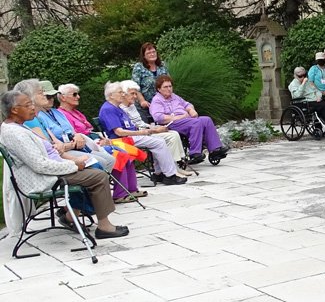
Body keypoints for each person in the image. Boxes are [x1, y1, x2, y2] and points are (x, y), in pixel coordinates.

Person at [0, 90, 130, 239]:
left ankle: (71, 216)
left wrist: (71, 162)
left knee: (92, 169)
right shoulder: (15, 133)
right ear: (15, 109)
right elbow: (39, 165)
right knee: (98, 176)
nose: (33, 107)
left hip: (48, 170)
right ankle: (104, 226)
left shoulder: (17, 127)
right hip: (41, 178)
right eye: (28, 104)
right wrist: (74, 165)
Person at [99, 81, 187, 186]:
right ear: (111, 95)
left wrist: (146, 130)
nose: (123, 94)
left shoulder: (116, 107)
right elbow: (119, 132)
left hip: (130, 136)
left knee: (160, 140)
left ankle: (159, 173)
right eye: (120, 92)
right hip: (120, 140)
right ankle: (170, 175)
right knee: (159, 142)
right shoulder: (108, 109)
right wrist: (142, 132)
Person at [18, 79, 115, 171]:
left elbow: (72, 134)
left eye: (52, 96)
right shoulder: (33, 119)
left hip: (75, 147)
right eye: (46, 95)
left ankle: (114, 187)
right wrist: (74, 155)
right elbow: (51, 149)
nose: (50, 98)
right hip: (60, 157)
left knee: (110, 159)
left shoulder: (54, 113)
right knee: (98, 165)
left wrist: (77, 137)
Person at [149, 75, 229, 163]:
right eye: (165, 87)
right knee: (196, 123)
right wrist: (179, 117)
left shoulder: (174, 96)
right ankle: (194, 153)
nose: (169, 89)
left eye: (170, 86)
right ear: (159, 89)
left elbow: (187, 104)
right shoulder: (157, 100)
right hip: (172, 123)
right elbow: (158, 117)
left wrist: (191, 110)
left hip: (187, 120)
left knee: (206, 120)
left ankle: (215, 150)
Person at [119, 80, 192, 172]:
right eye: (132, 94)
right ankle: (170, 168)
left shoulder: (131, 106)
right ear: (124, 94)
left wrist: (153, 127)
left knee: (174, 133)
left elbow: (140, 123)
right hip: (137, 135)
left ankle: (174, 164)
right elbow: (133, 128)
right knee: (170, 137)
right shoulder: (121, 109)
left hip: (144, 131)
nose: (135, 97)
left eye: (135, 94)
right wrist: (154, 130)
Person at [131, 42, 169, 109]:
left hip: (163, 104)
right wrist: (142, 101)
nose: (152, 54)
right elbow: (135, 87)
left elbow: (169, 83)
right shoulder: (138, 67)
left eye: (154, 52)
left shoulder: (162, 65)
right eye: (149, 53)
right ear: (144, 56)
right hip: (145, 105)